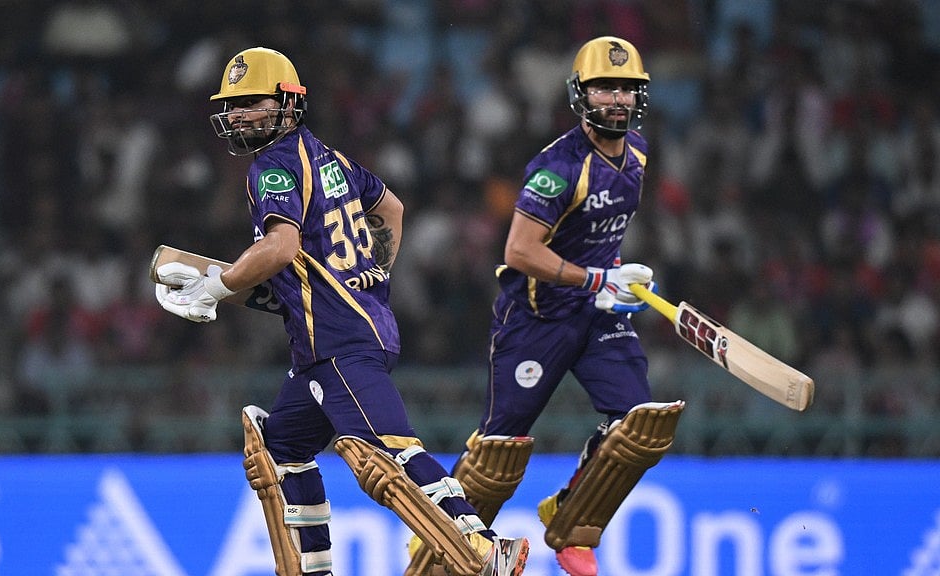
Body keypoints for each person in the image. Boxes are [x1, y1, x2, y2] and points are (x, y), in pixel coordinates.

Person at [153, 47, 529, 576]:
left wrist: (218, 286)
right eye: (232, 105)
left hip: (336, 339)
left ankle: (485, 547)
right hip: (335, 338)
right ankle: (315, 568)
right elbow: (391, 209)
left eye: (251, 102)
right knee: (280, 448)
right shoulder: (326, 157)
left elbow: (281, 248)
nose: (238, 114)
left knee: (388, 453)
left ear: (288, 103)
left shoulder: (273, 165)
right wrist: (374, 273)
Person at [409, 37, 685, 576]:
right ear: (580, 94)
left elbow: (594, 236)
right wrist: (595, 278)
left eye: (628, 88)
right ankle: (442, 542)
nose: (618, 99)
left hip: (598, 311)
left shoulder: (640, 154)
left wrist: (618, 278)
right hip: (537, 317)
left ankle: (571, 523)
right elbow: (518, 250)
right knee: (499, 449)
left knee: (640, 423)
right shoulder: (558, 168)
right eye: (605, 87)